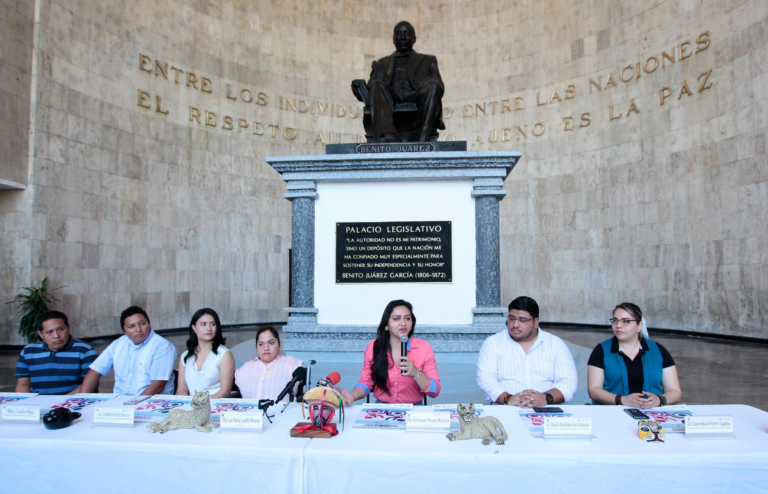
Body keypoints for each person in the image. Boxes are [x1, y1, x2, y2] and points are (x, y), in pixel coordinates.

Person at [477, 296, 577, 407]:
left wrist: (546, 398)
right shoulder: (493, 343)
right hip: (506, 409)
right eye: (512, 318)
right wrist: (508, 398)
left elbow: (568, 382)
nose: (515, 324)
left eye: (522, 320)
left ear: (536, 322)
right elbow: (485, 379)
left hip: (547, 410)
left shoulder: (555, 344)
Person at [338, 300, 440, 405]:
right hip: (382, 409)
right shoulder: (374, 347)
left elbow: (435, 391)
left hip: (413, 410)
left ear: (412, 323)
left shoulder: (424, 347)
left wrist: (416, 373)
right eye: (396, 319)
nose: (403, 323)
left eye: (407, 318)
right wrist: (352, 395)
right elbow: (366, 382)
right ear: (387, 324)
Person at [587, 303, 682, 407]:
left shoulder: (659, 350)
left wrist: (659, 400)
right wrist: (621, 400)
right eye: (615, 320)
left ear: (639, 326)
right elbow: (594, 390)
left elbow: (675, 391)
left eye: (626, 321)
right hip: (613, 412)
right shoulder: (601, 350)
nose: (618, 325)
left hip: (652, 413)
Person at [366, 21, 445, 142]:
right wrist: (359, 88)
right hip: (391, 96)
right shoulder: (381, 62)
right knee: (376, 84)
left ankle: (418, 138)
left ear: (414, 38)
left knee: (434, 86)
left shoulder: (428, 60)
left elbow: (440, 86)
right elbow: (371, 88)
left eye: (407, 33)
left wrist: (431, 81)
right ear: (393, 38)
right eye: (399, 33)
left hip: (416, 94)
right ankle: (388, 135)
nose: (403, 37)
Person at [80, 306, 177, 395]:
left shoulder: (163, 346)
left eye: (142, 324)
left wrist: (132, 406)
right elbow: (95, 371)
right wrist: (82, 400)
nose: (138, 329)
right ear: (124, 330)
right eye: (131, 326)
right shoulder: (118, 344)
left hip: (150, 404)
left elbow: (157, 386)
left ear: (149, 322)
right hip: (120, 403)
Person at [15, 311, 97, 395]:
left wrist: (60, 402)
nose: (56, 336)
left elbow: (88, 385)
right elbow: (23, 384)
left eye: (60, 329)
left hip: (71, 403)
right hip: (38, 404)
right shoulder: (28, 351)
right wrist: (27, 403)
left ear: (68, 327)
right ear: (41, 334)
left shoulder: (85, 351)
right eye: (49, 332)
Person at [235, 326, 304, 403]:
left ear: (279, 344)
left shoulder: (292, 363)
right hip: (250, 413)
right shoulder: (245, 369)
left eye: (271, 343)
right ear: (256, 347)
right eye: (261, 344)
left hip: (283, 413)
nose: (266, 348)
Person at [176, 308, 234, 399]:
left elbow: (225, 391)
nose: (208, 328)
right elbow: (182, 390)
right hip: (191, 407)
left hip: (214, 406)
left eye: (213, 324)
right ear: (194, 327)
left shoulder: (224, 354)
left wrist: (203, 408)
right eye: (203, 324)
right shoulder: (185, 356)